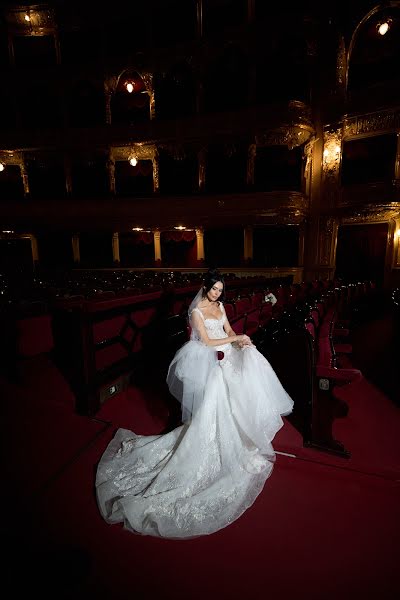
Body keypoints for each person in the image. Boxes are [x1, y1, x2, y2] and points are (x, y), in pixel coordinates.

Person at [95, 269, 294, 539]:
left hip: (226, 352)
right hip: (210, 358)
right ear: (206, 287)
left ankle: (242, 435)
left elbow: (229, 330)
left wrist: (240, 341)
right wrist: (232, 341)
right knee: (218, 397)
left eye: (221, 291)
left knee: (252, 359)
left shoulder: (220, 306)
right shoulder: (196, 312)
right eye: (214, 290)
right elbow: (209, 341)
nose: (217, 295)